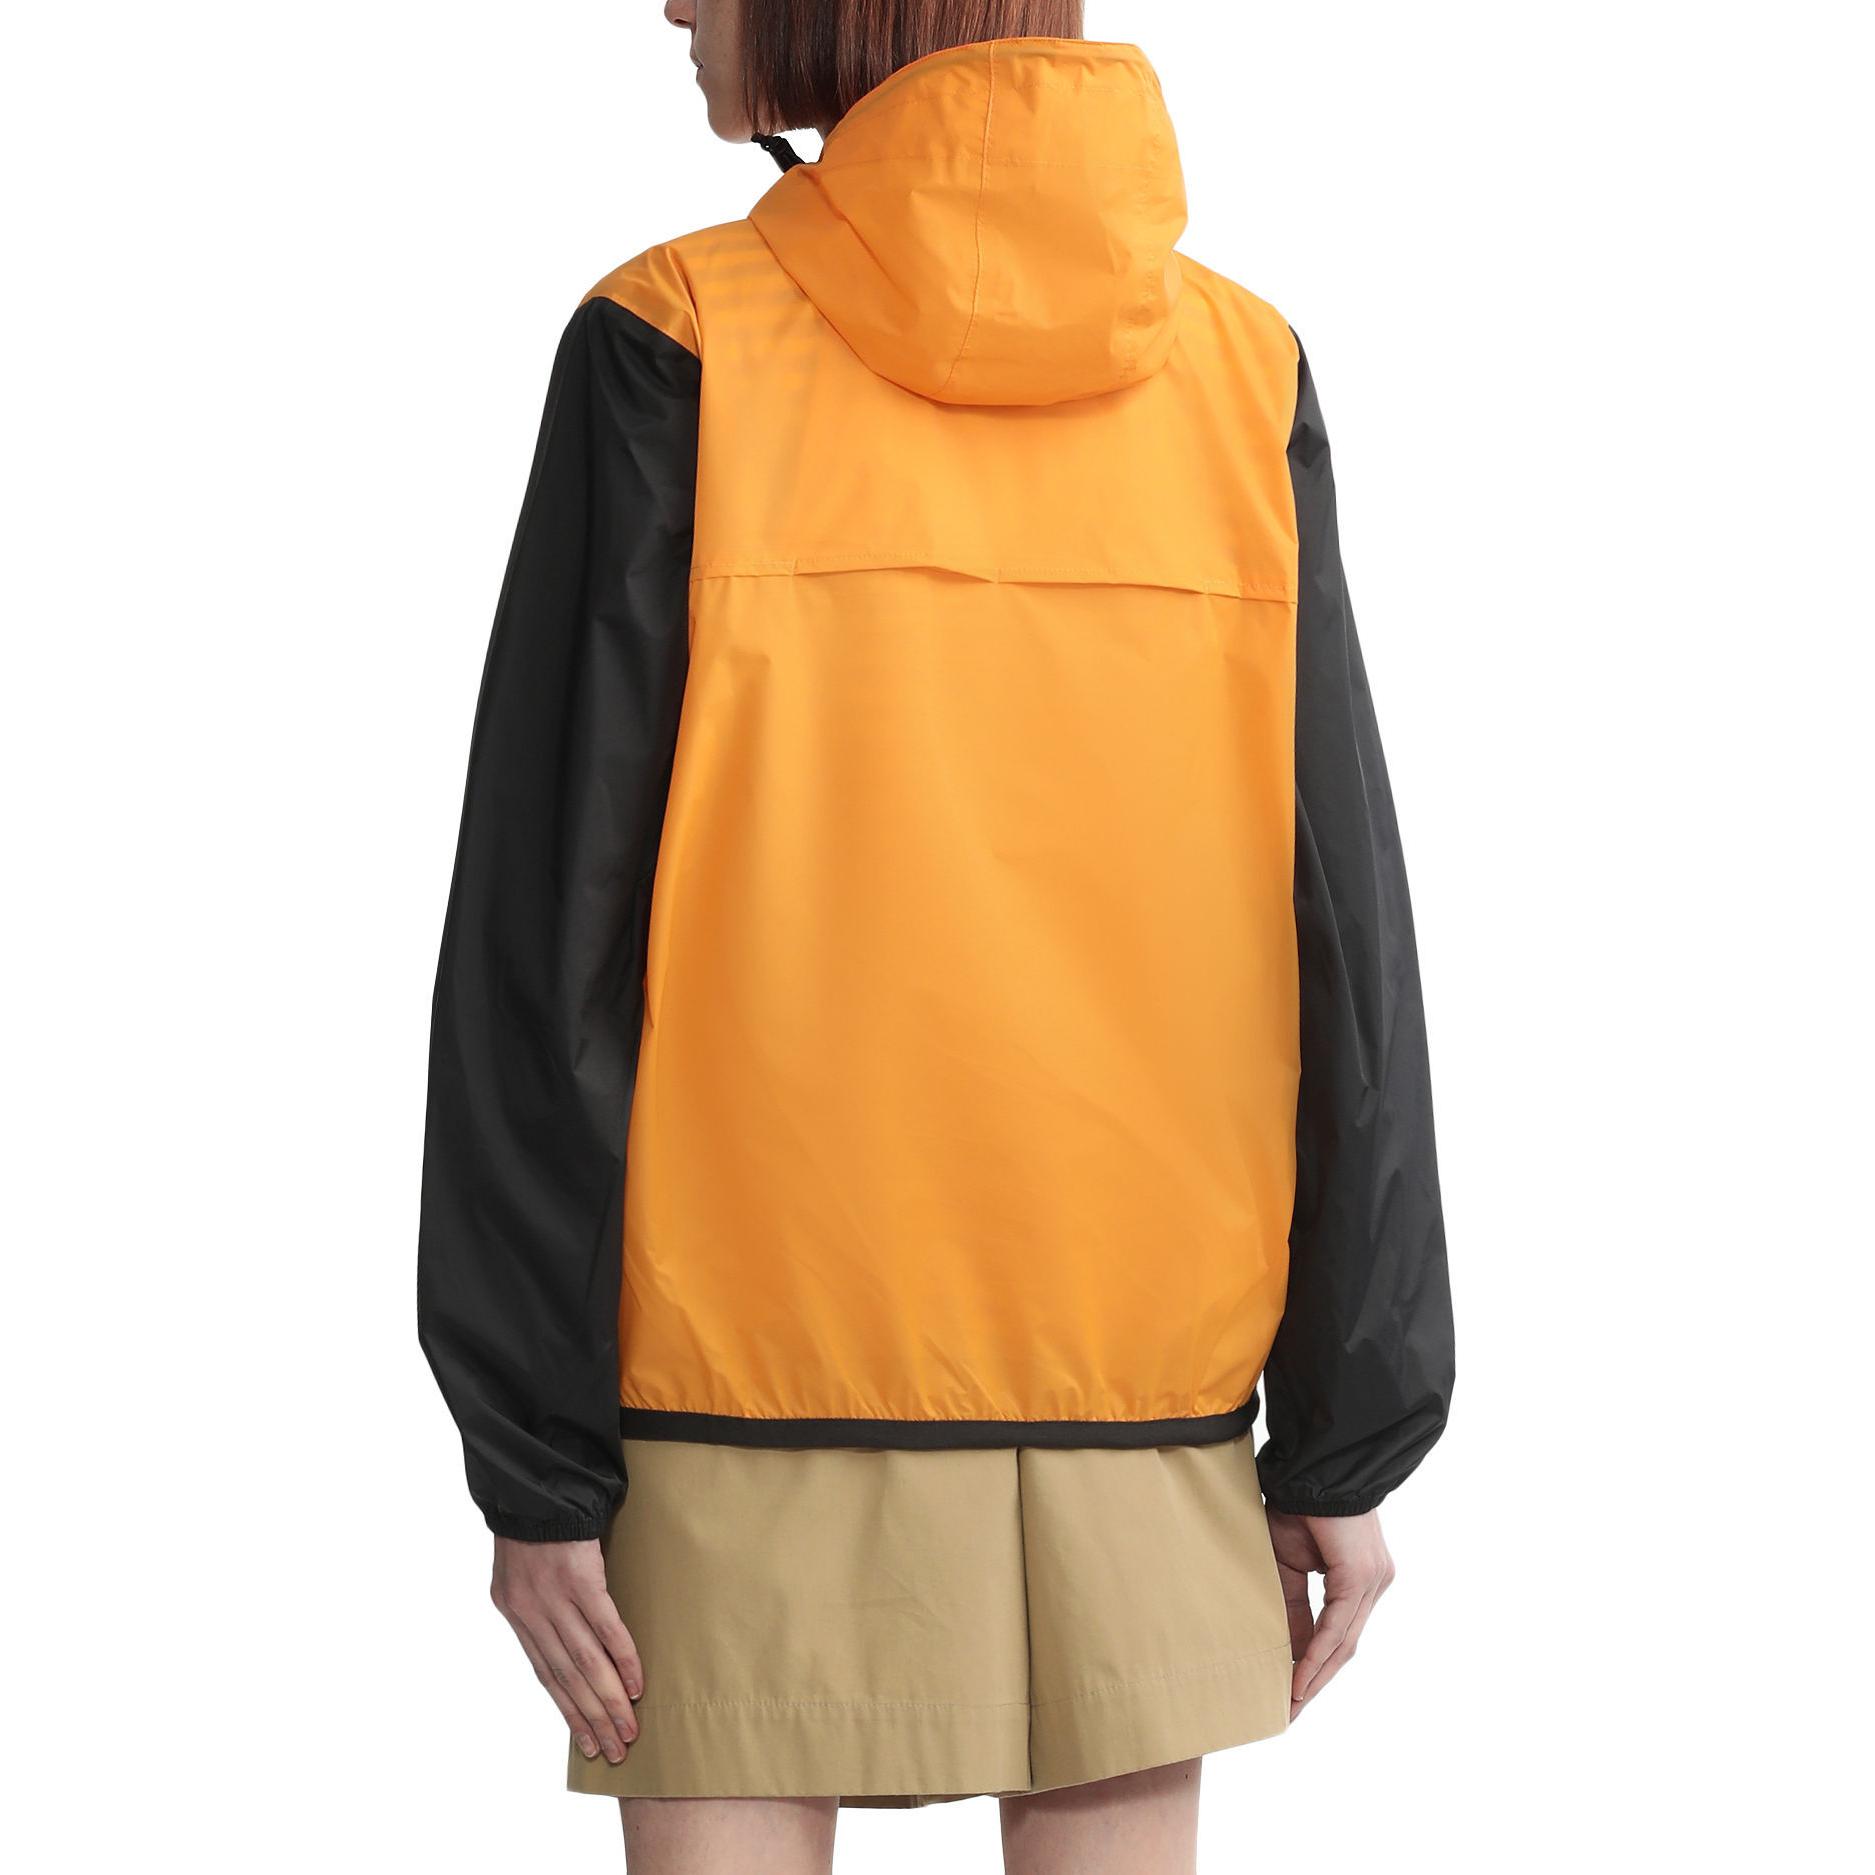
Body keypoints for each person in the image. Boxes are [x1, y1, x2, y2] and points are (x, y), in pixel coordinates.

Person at [417, 3, 1455, 1869]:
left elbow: (544, 932)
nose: (674, 4)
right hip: (1144, 1394)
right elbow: (1343, 926)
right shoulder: (1239, 368)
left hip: (730, 1391)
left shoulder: (676, 337)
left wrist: (533, 1450)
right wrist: (1347, 1422)